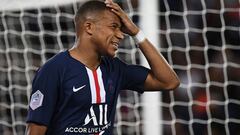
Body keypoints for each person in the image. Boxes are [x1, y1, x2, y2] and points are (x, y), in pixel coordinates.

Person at [26, 0, 180, 134]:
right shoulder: (53, 70)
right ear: (89, 27)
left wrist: (136, 32)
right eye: (114, 26)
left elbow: (169, 82)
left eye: (121, 29)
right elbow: (35, 131)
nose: (120, 35)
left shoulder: (115, 69)